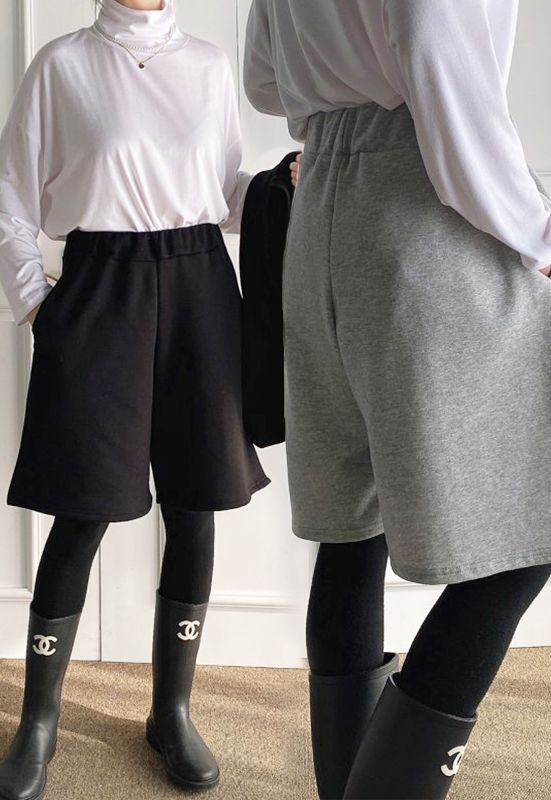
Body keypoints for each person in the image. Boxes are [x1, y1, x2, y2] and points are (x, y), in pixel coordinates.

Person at [244, 1, 551, 798]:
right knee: (535, 518)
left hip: (322, 204)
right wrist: (535, 229)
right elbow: (436, 45)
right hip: (427, 204)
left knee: (351, 530)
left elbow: (264, 81)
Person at [0, 1, 273, 797]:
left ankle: (171, 712)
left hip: (200, 288)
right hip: (101, 286)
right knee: (81, 506)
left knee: (194, 505)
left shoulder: (207, 66)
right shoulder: (62, 65)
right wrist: (36, 304)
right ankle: (39, 722)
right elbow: (11, 196)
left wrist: (278, 184)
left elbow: (224, 191)